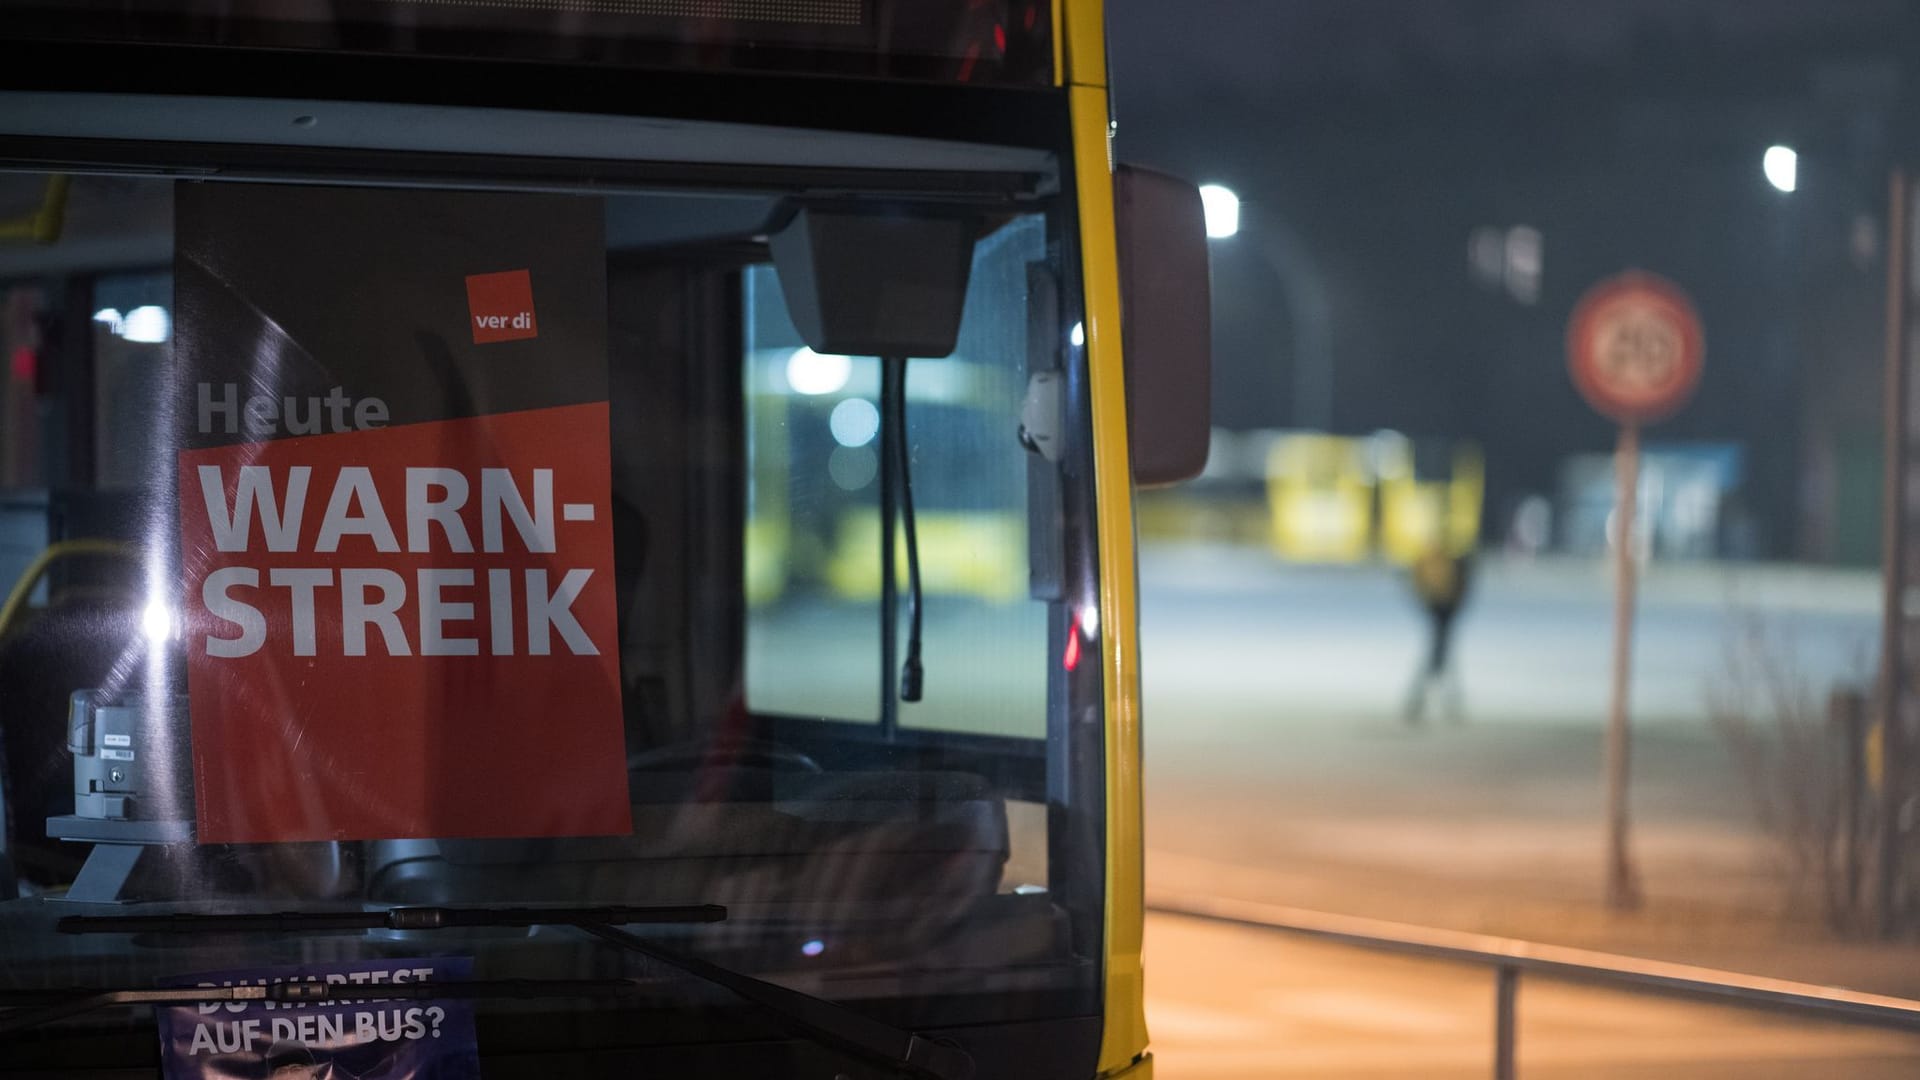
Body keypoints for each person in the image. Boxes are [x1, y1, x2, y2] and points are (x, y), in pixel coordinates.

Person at [1404, 545, 1473, 725]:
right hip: (1440, 609)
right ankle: (1429, 701)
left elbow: (1418, 582)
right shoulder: (1441, 560)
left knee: (1438, 656)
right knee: (1439, 656)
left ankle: (1422, 701)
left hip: (1442, 609)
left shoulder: (1449, 560)